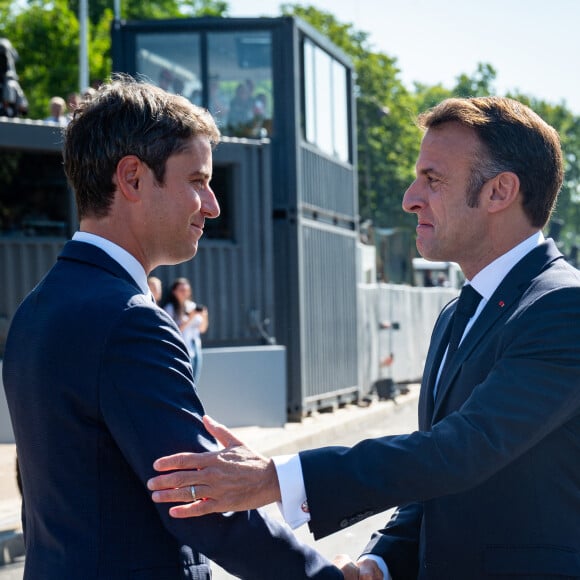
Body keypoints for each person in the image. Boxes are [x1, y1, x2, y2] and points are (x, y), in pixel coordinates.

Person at [147, 96, 580, 579]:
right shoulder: (458, 313)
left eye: (433, 180)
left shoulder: (564, 309)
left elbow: (461, 452)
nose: (410, 197)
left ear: (500, 191)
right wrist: (380, 562)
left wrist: (275, 478)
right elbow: (433, 478)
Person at [2, 75, 344, 579]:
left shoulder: (36, 308)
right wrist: (327, 576)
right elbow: (197, 500)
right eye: (198, 182)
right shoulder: (129, 321)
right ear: (133, 178)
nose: (213, 205)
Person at [164, 277, 208, 384]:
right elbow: (174, 331)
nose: (185, 293)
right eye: (182, 290)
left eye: (187, 290)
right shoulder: (170, 309)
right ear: (174, 292)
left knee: (195, 380)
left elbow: (202, 329)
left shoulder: (192, 306)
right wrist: (190, 318)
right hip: (181, 349)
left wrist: (205, 316)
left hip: (196, 347)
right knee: (184, 381)